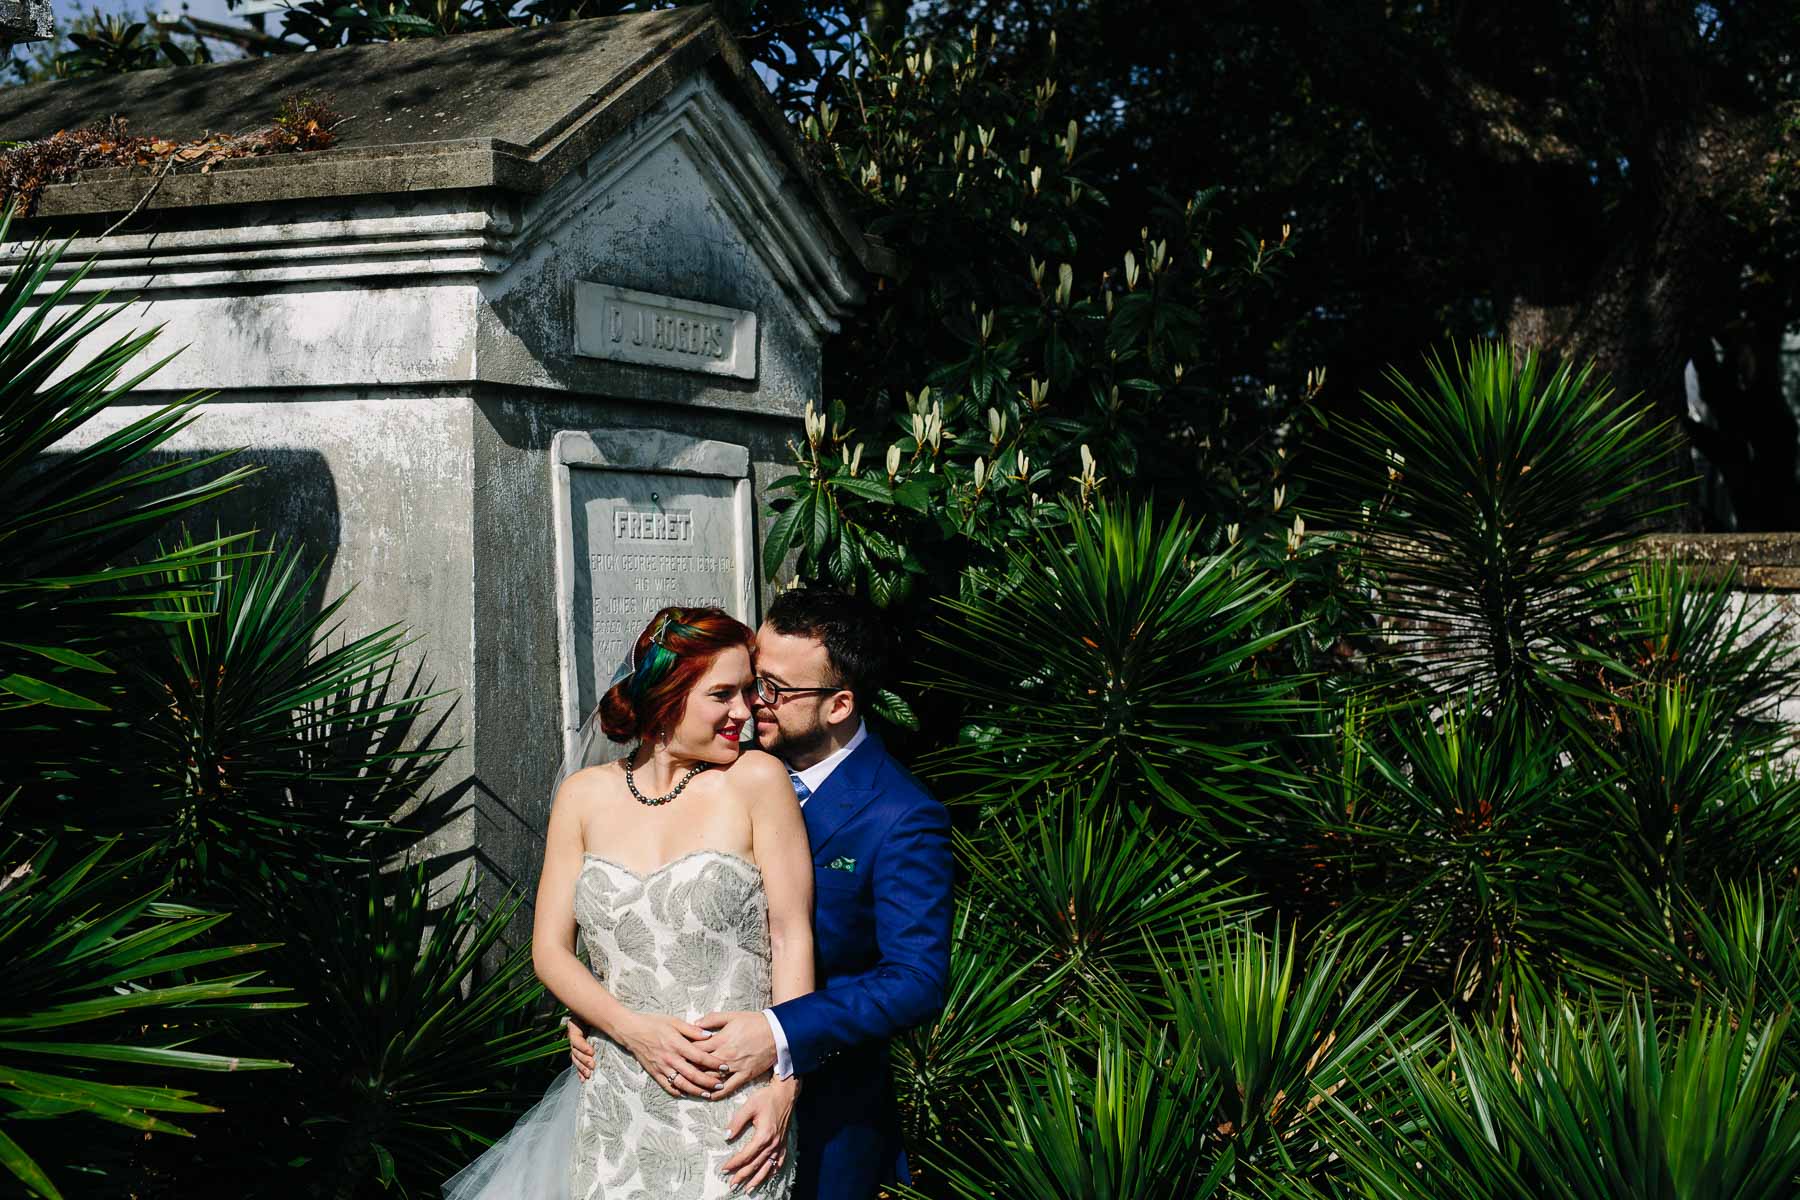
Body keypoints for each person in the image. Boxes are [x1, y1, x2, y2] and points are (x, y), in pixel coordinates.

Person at [568, 588, 954, 1200]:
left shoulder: (901, 815)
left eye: (771, 689)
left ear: (839, 704)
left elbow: (916, 980)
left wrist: (781, 1035)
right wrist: (606, 1004)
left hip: (827, 1119)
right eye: (748, 681)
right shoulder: (720, 762)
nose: (751, 705)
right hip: (668, 1105)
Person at [445, 606, 813, 1199]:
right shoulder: (582, 797)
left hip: (733, 1101)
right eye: (723, 694)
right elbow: (551, 950)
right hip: (616, 1094)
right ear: (668, 696)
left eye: (748, 692)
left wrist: (785, 1087)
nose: (743, 712)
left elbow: (792, 937)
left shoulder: (757, 782)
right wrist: (630, 1030)